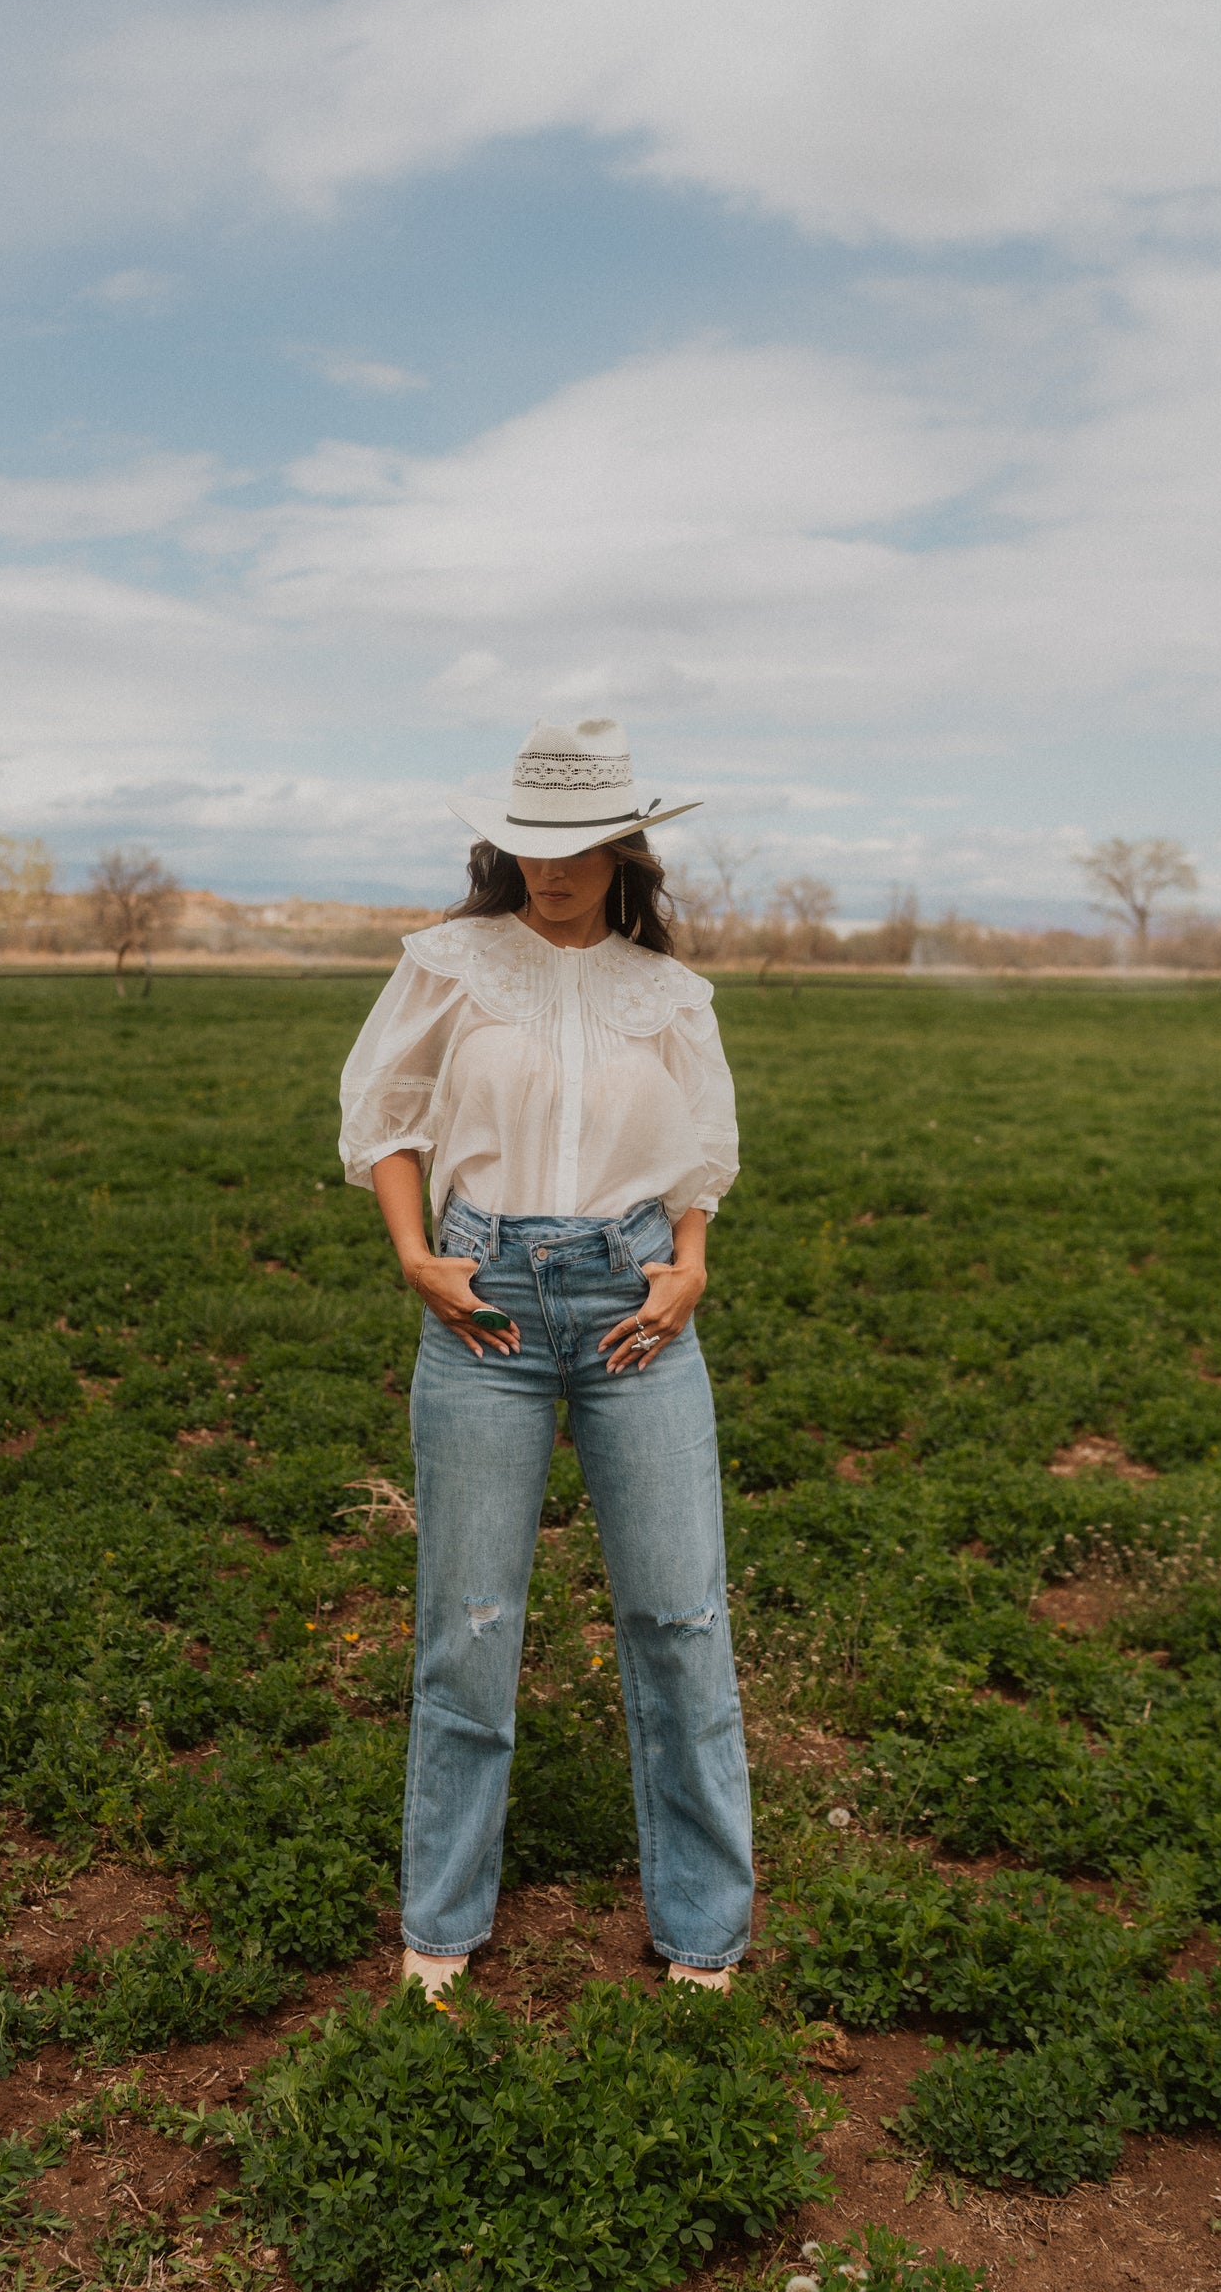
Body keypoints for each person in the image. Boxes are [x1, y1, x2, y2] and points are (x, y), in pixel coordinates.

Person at [338, 717, 752, 1998]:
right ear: (499, 845)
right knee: (467, 1624)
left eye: (575, 847)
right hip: (488, 1305)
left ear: (624, 847)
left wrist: (688, 1260)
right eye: (528, 845)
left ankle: (704, 1929)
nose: (551, 869)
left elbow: (699, 1153)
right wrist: (415, 1254)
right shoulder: (450, 962)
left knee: (678, 1615)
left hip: (636, 1306)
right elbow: (383, 1113)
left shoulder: (666, 990)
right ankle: (442, 1926)